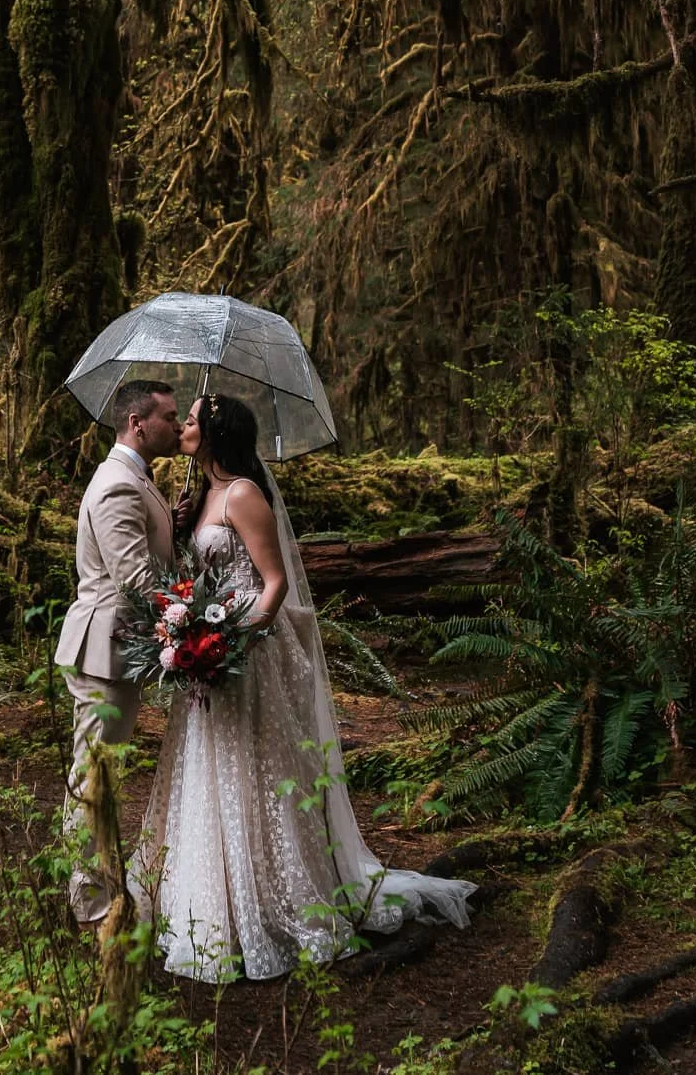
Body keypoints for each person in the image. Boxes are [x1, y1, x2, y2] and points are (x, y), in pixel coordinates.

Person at [130, 392, 476, 981]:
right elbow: (201, 576)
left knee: (256, 766)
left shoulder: (243, 493)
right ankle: (213, 899)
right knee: (212, 766)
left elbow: (274, 581)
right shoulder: (202, 494)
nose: (182, 426)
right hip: (208, 649)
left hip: (247, 649)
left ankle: (276, 898)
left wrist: (237, 639)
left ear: (215, 431)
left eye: (190, 419)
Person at [54, 377, 180, 923]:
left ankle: (96, 885)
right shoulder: (117, 484)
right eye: (169, 417)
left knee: (103, 767)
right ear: (137, 423)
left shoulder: (137, 479)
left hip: (117, 647)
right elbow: (133, 577)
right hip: (102, 647)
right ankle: (89, 901)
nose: (177, 426)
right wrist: (185, 613)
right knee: (94, 771)